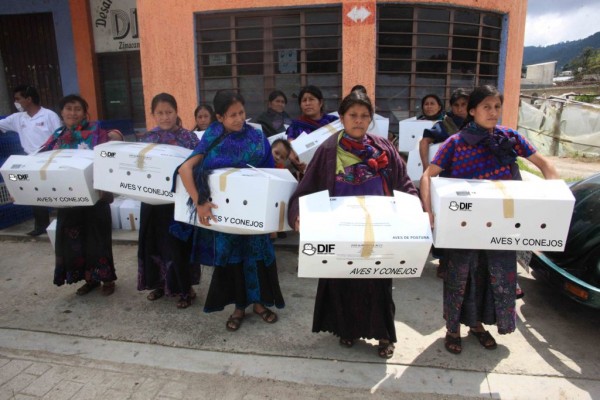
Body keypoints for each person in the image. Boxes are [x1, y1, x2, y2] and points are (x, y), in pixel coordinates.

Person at [419, 85, 558, 355]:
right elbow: (428, 176)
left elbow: (546, 166)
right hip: (464, 227)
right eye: (486, 107)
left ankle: (478, 326)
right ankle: (453, 329)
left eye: (496, 107)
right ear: (472, 111)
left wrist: (554, 198)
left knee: (491, 277)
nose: (493, 112)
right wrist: (429, 211)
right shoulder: (456, 143)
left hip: (503, 226)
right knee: (461, 277)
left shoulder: (511, 138)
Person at [287, 91, 418, 359]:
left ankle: (384, 335)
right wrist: (298, 214)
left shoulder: (384, 147)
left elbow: (403, 182)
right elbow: (308, 186)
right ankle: (347, 329)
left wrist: (416, 212)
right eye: (353, 116)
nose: (358, 121)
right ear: (342, 118)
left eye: (364, 116)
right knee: (343, 281)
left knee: (378, 283)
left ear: (370, 119)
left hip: (379, 228)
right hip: (341, 229)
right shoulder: (328, 149)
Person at [178, 90, 285, 331]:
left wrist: (274, 221)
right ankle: (239, 307)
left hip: (255, 212)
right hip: (226, 214)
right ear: (219, 117)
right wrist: (199, 202)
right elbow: (185, 169)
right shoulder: (212, 137)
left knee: (259, 257)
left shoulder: (257, 137)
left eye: (241, 113)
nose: (238, 119)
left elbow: (273, 176)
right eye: (232, 115)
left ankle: (259, 304)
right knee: (233, 260)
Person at [40, 94, 123, 296]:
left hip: (94, 197)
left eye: (77, 109)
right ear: (62, 112)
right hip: (67, 199)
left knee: (97, 240)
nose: (73, 113)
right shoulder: (57, 136)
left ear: (85, 113)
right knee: (75, 243)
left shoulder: (95, 133)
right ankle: (88, 279)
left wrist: (116, 136)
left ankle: (106, 278)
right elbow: (40, 160)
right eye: (69, 108)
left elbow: (116, 141)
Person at [137, 93, 200, 309]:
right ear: (153, 115)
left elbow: (198, 168)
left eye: (169, 112)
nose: (165, 117)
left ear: (176, 112)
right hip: (151, 203)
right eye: (160, 113)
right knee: (153, 244)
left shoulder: (189, 139)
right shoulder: (146, 139)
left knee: (178, 246)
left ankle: (185, 289)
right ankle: (159, 285)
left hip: (177, 203)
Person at [0, 85, 62, 236]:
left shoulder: (49, 115)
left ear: (29, 99)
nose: (16, 102)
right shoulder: (18, 118)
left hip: (49, 158)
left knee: (56, 190)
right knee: (35, 192)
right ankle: (41, 226)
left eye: (18, 99)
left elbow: (59, 136)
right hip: (30, 160)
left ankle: (61, 225)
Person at [419, 88, 469, 172]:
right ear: (451, 107)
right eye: (456, 105)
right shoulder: (446, 124)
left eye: (463, 104)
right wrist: (426, 167)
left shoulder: (478, 123)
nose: (460, 109)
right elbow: (424, 141)